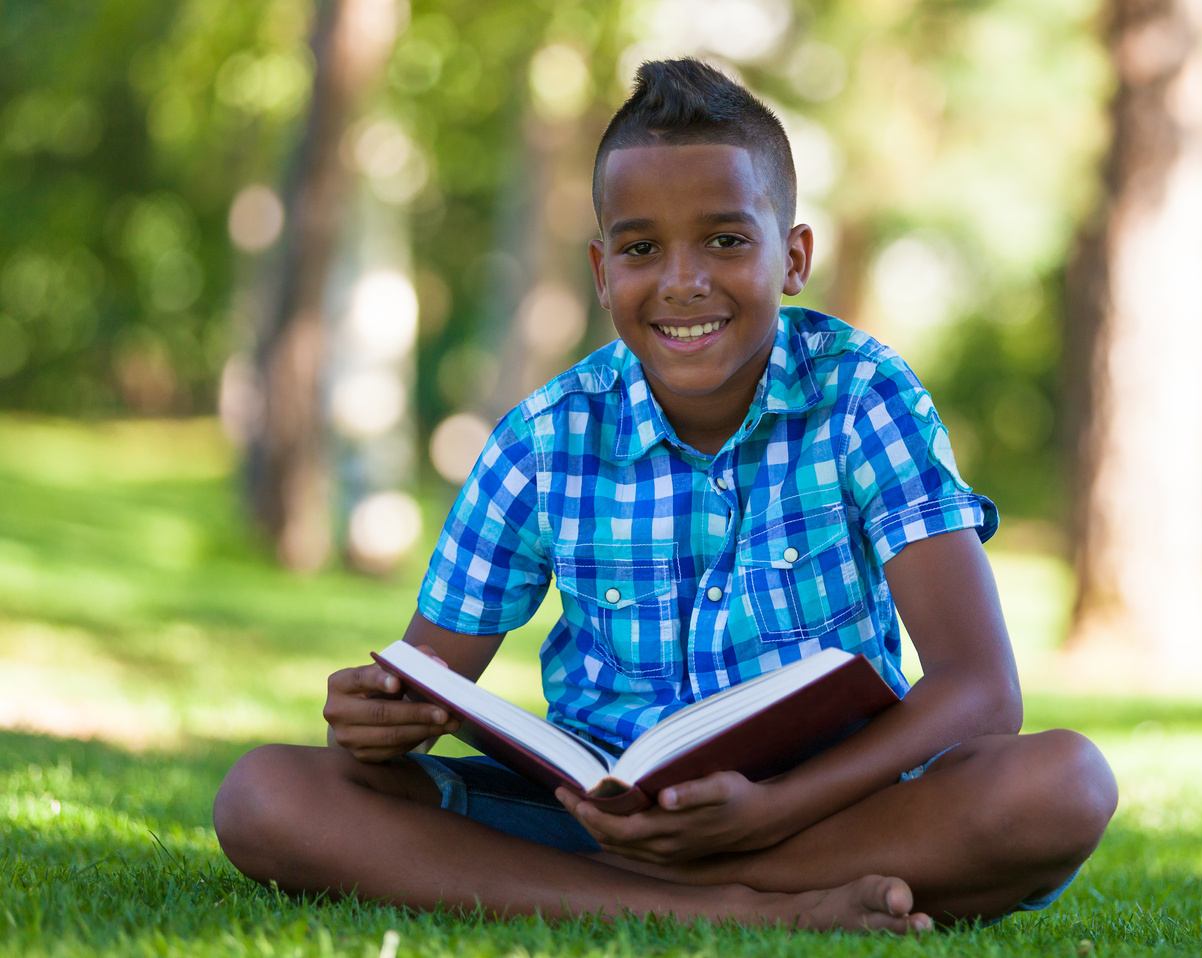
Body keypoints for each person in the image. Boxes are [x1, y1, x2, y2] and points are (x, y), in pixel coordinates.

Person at [213, 58, 1117, 932]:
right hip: (594, 816)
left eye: (725, 240)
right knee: (265, 795)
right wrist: (376, 715)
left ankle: (625, 891)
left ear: (793, 257)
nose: (683, 280)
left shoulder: (862, 396)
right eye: (642, 248)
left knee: (1062, 784)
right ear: (604, 272)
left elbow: (981, 691)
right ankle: (721, 908)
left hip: (826, 812)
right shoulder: (544, 438)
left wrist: (766, 812)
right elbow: (427, 684)